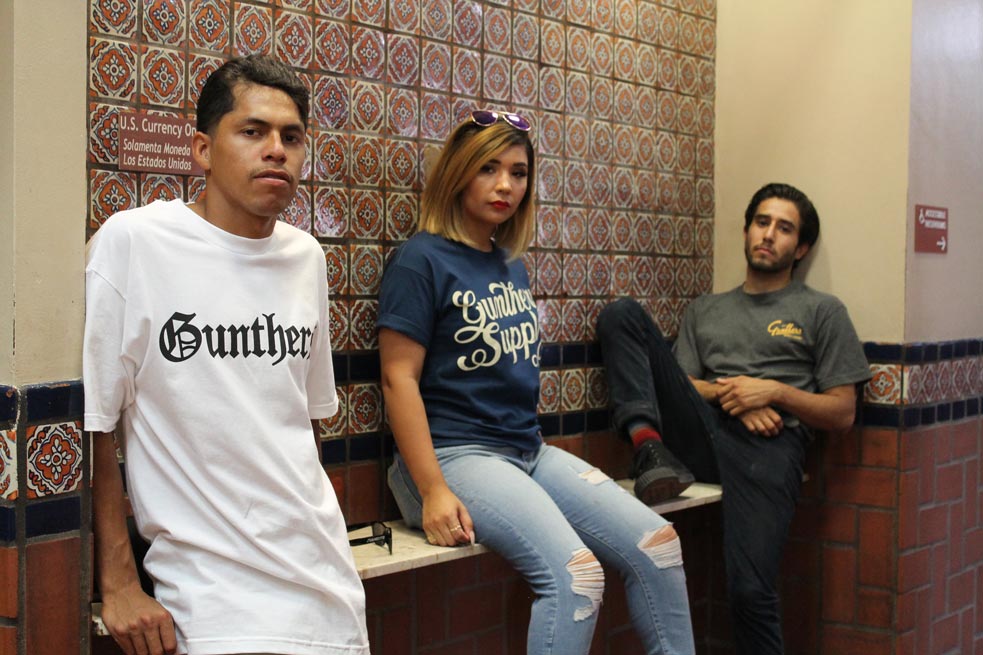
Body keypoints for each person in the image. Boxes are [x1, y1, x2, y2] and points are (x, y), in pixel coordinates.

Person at [378, 110, 696, 655]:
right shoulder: (419, 260)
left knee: (659, 544)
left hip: (526, 451)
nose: (506, 185)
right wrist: (432, 490)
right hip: (454, 458)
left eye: (519, 172)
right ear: (458, 173)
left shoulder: (509, 264)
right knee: (576, 577)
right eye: (488, 169)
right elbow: (397, 379)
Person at [84, 55, 369, 655]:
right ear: (203, 150)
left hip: (329, 594)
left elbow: (307, 426)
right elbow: (97, 428)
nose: (276, 150)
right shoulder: (134, 244)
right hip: (210, 604)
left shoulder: (306, 258)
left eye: (291, 137)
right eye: (252, 131)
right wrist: (119, 582)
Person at [597, 182, 871, 655]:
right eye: (762, 223)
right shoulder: (706, 309)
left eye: (784, 229)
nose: (769, 235)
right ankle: (647, 448)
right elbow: (684, 385)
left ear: (800, 247)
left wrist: (775, 392)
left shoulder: (821, 311)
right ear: (746, 231)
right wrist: (738, 395)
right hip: (702, 435)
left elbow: (843, 411)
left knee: (749, 590)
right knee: (622, 314)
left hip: (770, 451)